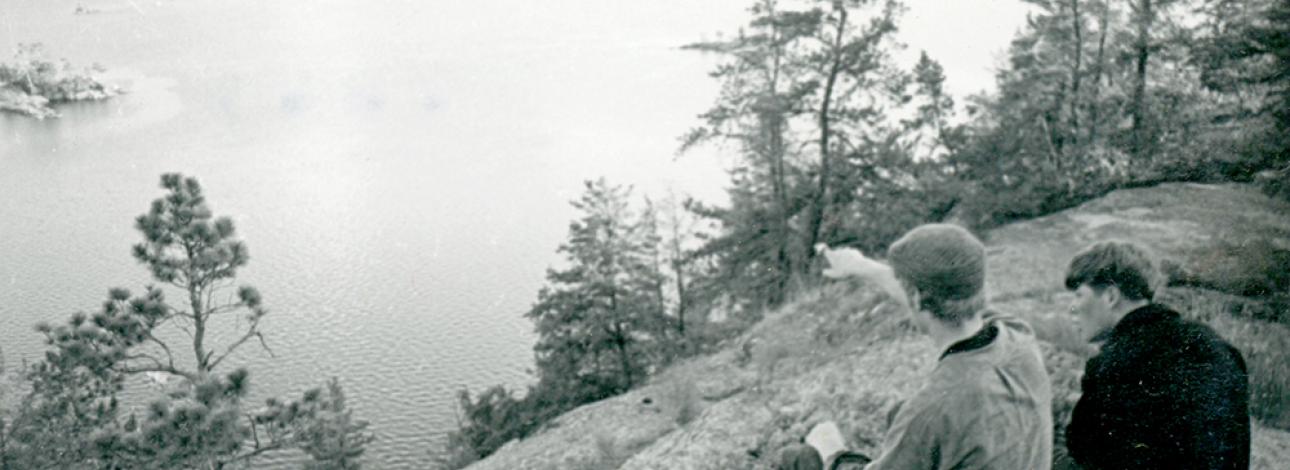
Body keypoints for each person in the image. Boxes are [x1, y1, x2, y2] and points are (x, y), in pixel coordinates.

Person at [779, 224, 1053, 470]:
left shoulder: (933, 408)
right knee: (900, 413)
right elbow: (933, 294)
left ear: (918, 299)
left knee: (799, 457)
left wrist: (834, 455)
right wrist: (863, 267)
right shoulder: (1019, 336)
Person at [1062, 241, 1250, 469]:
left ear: (1111, 296)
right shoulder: (1217, 346)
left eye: (1079, 295)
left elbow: (1083, 451)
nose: (1072, 308)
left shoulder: (1114, 363)